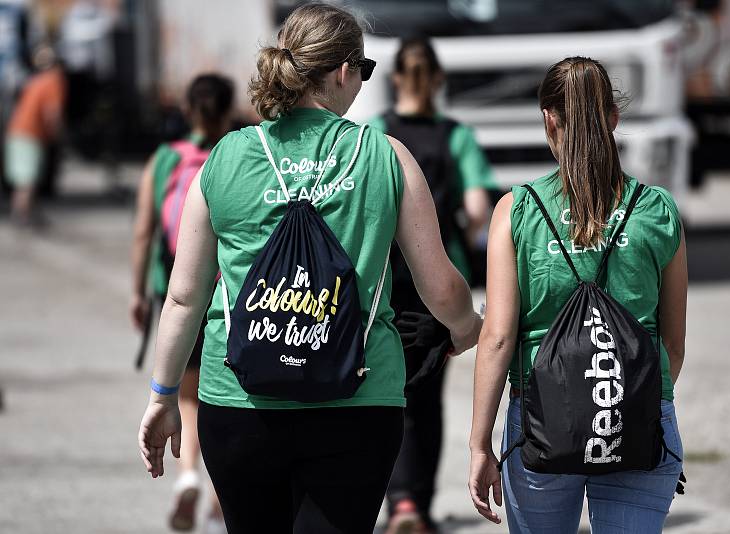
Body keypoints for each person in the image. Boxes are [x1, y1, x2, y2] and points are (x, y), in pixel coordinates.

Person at [136, 4, 482, 534]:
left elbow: (184, 296)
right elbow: (440, 287)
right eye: (363, 72)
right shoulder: (385, 156)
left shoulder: (228, 155)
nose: (363, 85)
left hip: (239, 401)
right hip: (358, 403)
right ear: (343, 71)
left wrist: (163, 397)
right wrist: (466, 328)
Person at [468, 56, 687, 533]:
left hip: (543, 420)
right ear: (613, 117)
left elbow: (499, 338)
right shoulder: (658, 210)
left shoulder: (517, 210)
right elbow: (672, 344)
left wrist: (480, 445)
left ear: (549, 118)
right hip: (637, 414)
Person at [368, 37, 495, 534]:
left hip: (383, 284)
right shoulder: (456, 135)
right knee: (427, 398)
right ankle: (416, 505)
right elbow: (480, 208)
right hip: (438, 286)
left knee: (381, 393)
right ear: (439, 79)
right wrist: (460, 238)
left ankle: (392, 501)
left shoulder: (377, 134)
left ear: (395, 78)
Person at [130, 74, 234, 532]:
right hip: (232, 290)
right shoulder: (241, 153)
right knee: (233, 395)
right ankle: (220, 497)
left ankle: (188, 476)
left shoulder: (165, 159)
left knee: (187, 396)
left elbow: (143, 231)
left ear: (189, 111)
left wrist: (138, 292)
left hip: (176, 282)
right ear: (229, 109)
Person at [4, 43, 65, 228]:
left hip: (17, 131)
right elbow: (52, 113)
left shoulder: (35, 79)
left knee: (23, 178)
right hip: (29, 134)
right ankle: (23, 216)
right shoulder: (54, 81)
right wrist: (56, 134)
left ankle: (21, 212)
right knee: (28, 179)